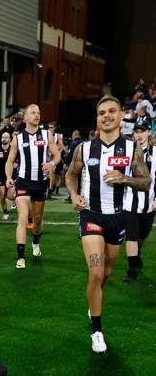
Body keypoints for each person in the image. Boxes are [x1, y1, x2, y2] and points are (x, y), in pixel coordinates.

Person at [64, 96, 150, 353]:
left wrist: (125, 178)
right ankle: (97, 331)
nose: (106, 115)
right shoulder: (84, 148)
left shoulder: (132, 147)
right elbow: (70, 174)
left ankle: (93, 302)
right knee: (96, 273)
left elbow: (145, 182)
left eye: (112, 111)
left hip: (118, 218)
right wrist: (74, 195)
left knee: (106, 274)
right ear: (97, 118)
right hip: (91, 216)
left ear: (121, 115)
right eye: (102, 112)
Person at [5, 103, 61, 268]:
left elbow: (57, 155)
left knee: (37, 220)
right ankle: (21, 257)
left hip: (40, 183)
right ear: (25, 117)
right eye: (33, 113)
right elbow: (9, 161)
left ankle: (36, 241)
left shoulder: (46, 134)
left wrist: (51, 164)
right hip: (23, 181)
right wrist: (8, 177)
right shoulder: (18, 138)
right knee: (23, 218)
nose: (37, 115)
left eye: (38, 113)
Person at [121, 118, 156, 283]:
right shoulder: (128, 151)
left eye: (142, 131)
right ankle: (132, 269)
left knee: (143, 235)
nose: (139, 134)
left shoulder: (155, 152)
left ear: (149, 132)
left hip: (150, 203)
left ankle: (137, 254)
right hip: (130, 202)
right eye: (137, 131)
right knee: (132, 236)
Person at [0, 130, 16, 219]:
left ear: (10, 139)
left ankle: (16, 200)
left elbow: (17, 162)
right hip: (1, 175)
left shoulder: (13, 150)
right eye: (3, 137)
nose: (4, 139)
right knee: (2, 196)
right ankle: (5, 212)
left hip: (12, 176)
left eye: (6, 137)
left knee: (11, 196)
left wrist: (15, 164)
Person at [46, 121, 65, 197]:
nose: (50, 129)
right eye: (49, 127)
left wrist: (58, 154)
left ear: (54, 128)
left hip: (54, 157)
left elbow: (62, 146)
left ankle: (50, 190)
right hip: (48, 156)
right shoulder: (46, 135)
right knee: (48, 174)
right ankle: (51, 187)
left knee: (52, 172)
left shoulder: (57, 136)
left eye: (52, 127)